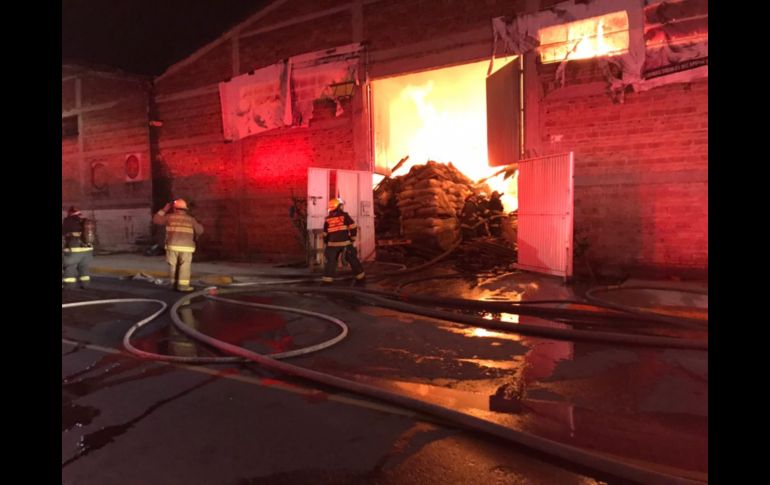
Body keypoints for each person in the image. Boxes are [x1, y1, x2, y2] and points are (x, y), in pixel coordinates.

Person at [153, 199, 204, 292]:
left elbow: (156, 219)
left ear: (175, 209)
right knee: (184, 267)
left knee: (173, 266)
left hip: (172, 246)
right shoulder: (190, 219)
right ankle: (183, 287)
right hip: (187, 248)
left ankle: (173, 285)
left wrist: (164, 209)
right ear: (185, 209)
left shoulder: (169, 217)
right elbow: (200, 231)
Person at [322, 198, 365, 285]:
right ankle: (361, 279)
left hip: (332, 245)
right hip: (345, 243)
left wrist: (327, 243)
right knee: (353, 259)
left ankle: (327, 282)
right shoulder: (344, 216)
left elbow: (325, 234)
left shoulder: (328, 219)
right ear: (338, 207)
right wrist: (352, 238)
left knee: (330, 262)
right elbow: (353, 227)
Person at [62, 206, 94, 289]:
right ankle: (85, 285)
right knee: (84, 268)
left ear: (70, 213)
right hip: (87, 251)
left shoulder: (68, 221)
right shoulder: (84, 221)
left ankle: (70, 286)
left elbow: (63, 233)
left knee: (70, 268)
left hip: (74, 250)